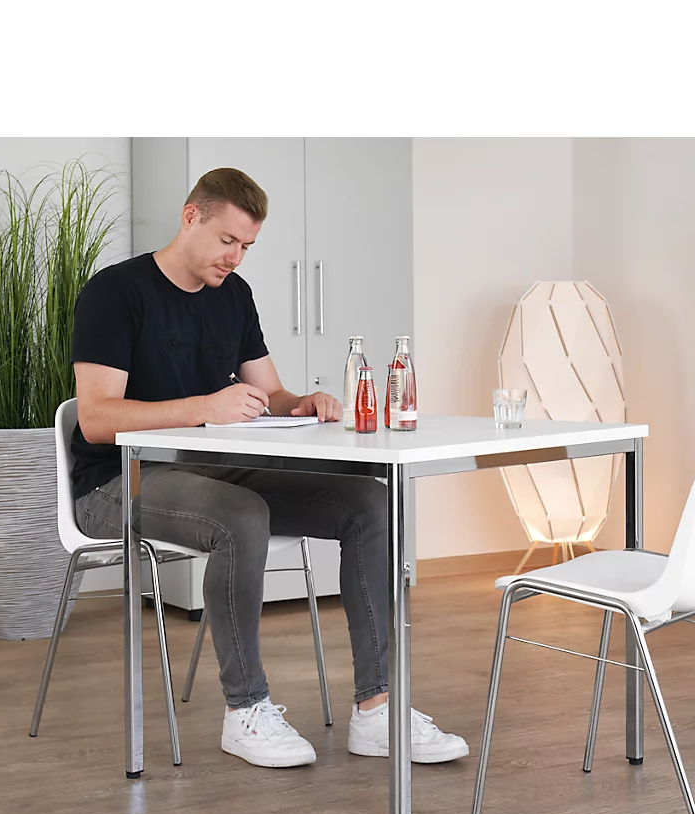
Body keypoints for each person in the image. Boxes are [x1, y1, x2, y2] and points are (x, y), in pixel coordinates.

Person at [69, 167, 468, 769]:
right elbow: (97, 419)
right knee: (241, 516)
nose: (236, 257)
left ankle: (377, 709)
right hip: (118, 482)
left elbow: (269, 395)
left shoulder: (234, 296)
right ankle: (245, 712)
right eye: (228, 240)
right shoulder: (116, 292)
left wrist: (302, 402)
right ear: (190, 216)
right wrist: (205, 408)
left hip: (213, 473)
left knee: (367, 501)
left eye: (248, 246)